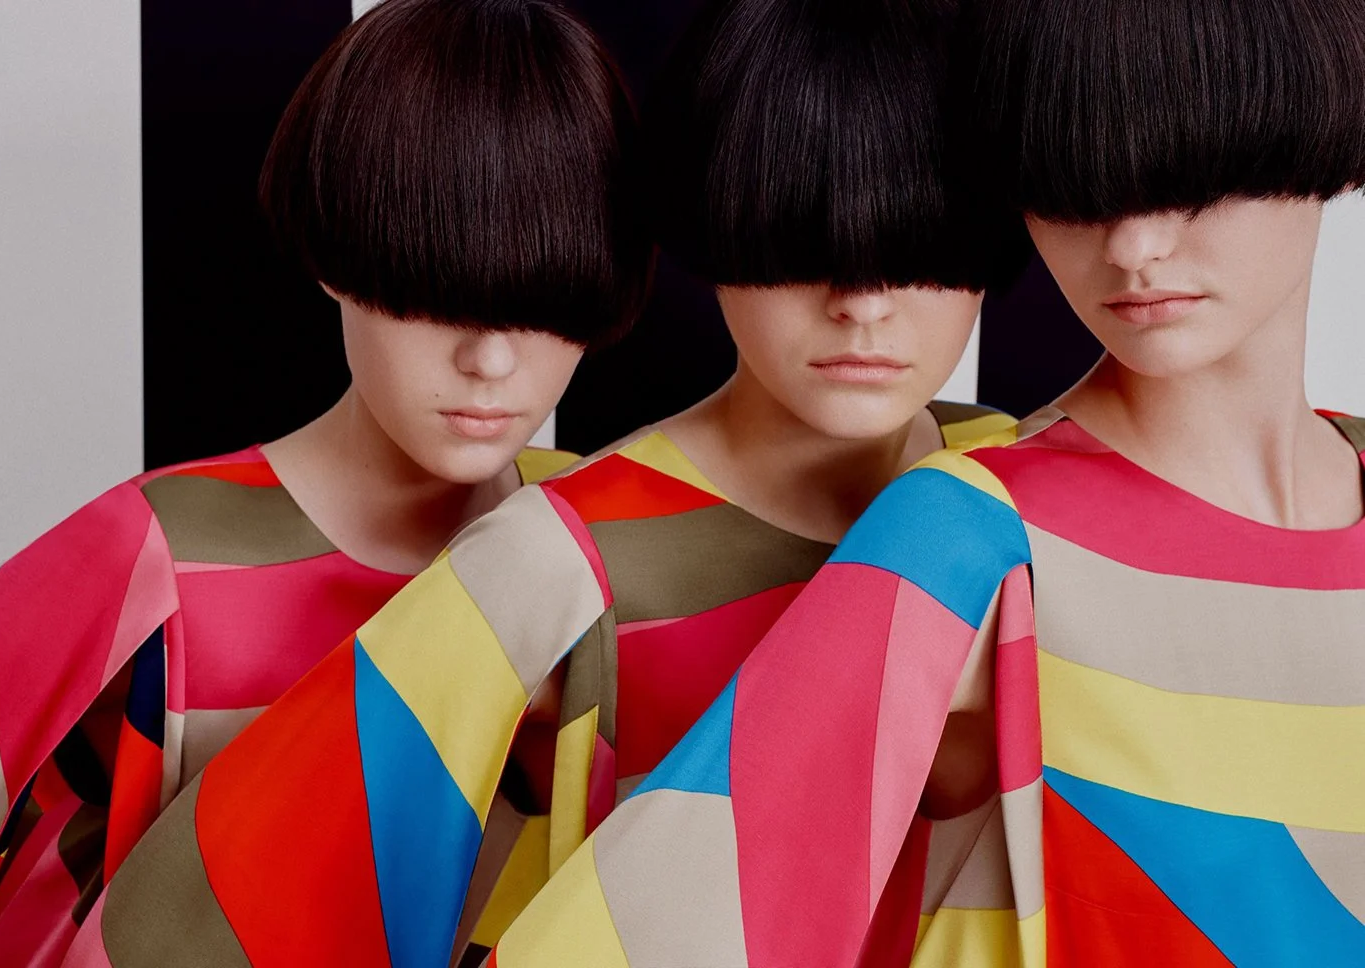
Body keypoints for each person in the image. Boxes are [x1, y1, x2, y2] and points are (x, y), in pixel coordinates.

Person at [63, 1, 1028, 966]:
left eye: (921, 248)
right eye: (800, 241)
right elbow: (263, 877)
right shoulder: (558, 555)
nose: (863, 305)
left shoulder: (1014, 487)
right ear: (716, 224)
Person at [489, 0, 1365, 964]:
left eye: (1196, 182)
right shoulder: (966, 533)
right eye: (1071, 187)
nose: (1132, 249)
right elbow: (658, 913)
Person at [0, 1, 651, 965]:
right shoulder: (159, 557)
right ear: (335, 260)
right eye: (432, 291)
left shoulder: (600, 543)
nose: (489, 360)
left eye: (544, 306)